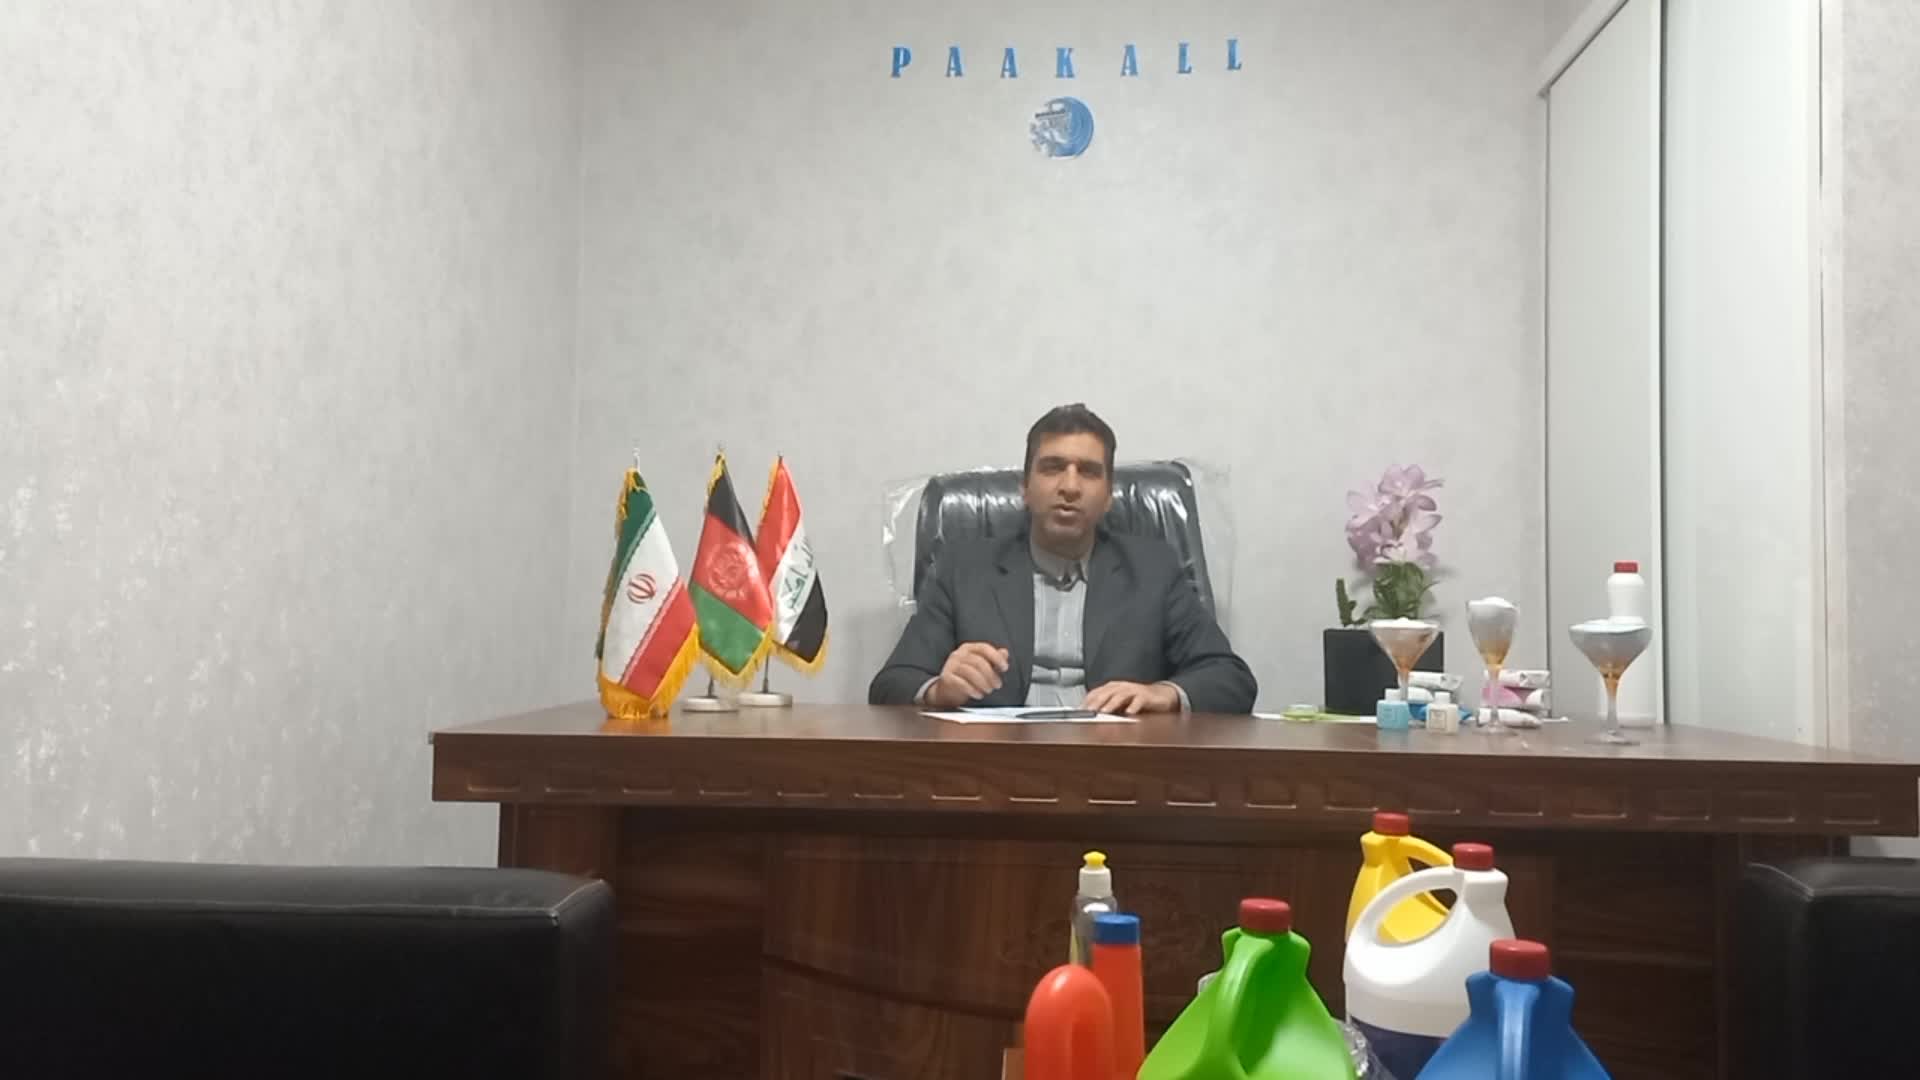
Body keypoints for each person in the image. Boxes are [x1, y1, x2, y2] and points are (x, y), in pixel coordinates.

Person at [868, 404, 1257, 714]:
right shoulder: (964, 569)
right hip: (993, 770)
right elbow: (891, 685)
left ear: (1108, 496)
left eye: (1088, 472)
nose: (1070, 486)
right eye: (1053, 468)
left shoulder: (1152, 570)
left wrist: (1165, 693)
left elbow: (1231, 679)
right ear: (1025, 488)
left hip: (1114, 769)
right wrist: (940, 691)